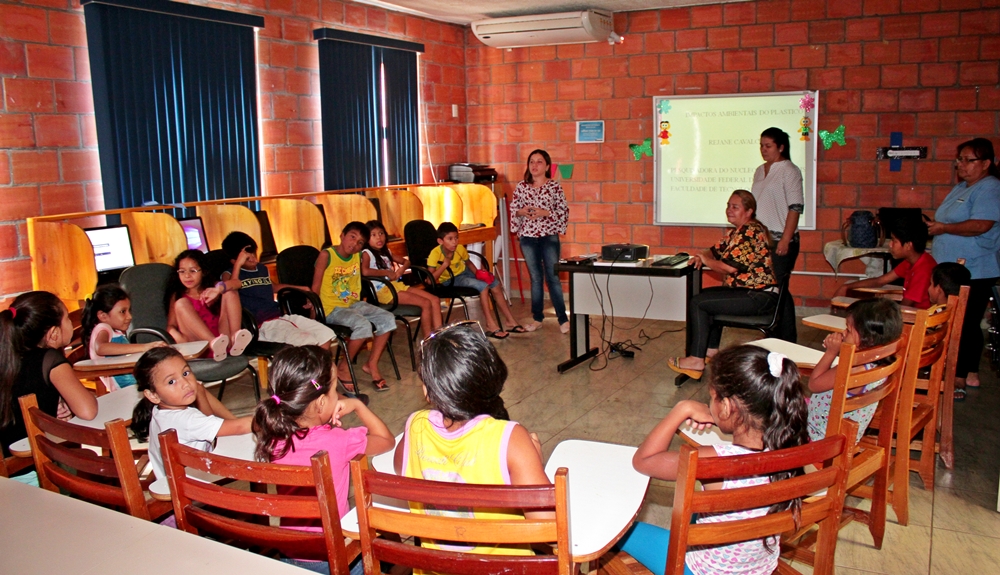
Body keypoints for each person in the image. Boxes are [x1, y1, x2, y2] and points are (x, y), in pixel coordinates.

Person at [621, 345, 809, 575]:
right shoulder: (790, 447)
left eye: (711, 398)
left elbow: (644, 460)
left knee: (622, 529)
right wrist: (720, 418)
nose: (708, 403)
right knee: (695, 508)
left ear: (728, 407)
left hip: (701, 570)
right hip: (759, 568)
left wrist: (683, 408)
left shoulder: (715, 462)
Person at [393, 321, 551, 558]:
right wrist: (534, 461)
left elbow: (401, 468)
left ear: (428, 391)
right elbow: (547, 528)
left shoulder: (416, 425)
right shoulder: (510, 439)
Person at [252, 345, 394, 574]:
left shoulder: (272, 440)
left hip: (291, 551)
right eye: (334, 389)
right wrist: (357, 405)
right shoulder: (339, 441)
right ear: (320, 403)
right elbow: (386, 440)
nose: (337, 395)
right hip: (333, 556)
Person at [667, 191, 777, 380]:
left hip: (758, 297)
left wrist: (705, 260)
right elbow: (713, 251)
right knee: (705, 298)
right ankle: (709, 351)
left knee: (699, 302)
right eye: (728, 205)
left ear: (749, 211)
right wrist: (700, 255)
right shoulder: (736, 232)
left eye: (735, 207)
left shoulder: (750, 231)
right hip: (749, 293)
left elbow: (728, 268)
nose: (729, 210)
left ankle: (695, 360)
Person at [926, 138, 1000, 392]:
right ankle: (966, 371)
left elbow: (982, 225)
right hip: (951, 267)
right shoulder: (963, 187)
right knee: (953, 319)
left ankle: (959, 376)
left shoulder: (989, 188)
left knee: (965, 322)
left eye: (969, 160)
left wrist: (944, 228)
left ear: (986, 163)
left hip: (974, 269)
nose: (962, 165)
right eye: (959, 160)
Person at [0, 291, 98, 465]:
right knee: (91, 459)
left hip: (8, 469)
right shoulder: (50, 359)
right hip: (35, 467)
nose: (71, 323)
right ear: (53, 333)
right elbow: (88, 411)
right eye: (67, 318)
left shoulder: (7, 358)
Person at [131, 346, 251, 481]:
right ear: (152, 395)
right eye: (171, 381)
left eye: (186, 373)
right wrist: (272, 417)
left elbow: (206, 419)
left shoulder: (158, 410)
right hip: (193, 487)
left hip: (171, 481)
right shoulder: (187, 419)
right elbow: (240, 427)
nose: (185, 383)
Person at [312, 221, 397, 393]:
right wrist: (314, 312)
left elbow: (357, 281)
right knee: (363, 325)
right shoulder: (326, 255)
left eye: (360, 243)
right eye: (352, 237)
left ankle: (371, 364)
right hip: (331, 308)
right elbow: (316, 285)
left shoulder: (357, 257)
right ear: (342, 235)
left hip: (352, 303)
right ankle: (344, 367)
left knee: (388, 319)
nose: (354, 244)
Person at [806, 298, 903, 441]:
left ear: (867, 339)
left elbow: (813, 384)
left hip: (820, 438)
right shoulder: (879, 365)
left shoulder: (853, 368)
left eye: (849, 330)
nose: (844, 333)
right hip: (847, 437)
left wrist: (831, 352)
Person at [219, 232, 337, 349]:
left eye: (254, 254)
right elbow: (231, 288)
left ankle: (320, 367)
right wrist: (238, 266)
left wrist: (302, 288)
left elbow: (272, 287)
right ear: (235, 261)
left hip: (279, 317)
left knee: (325, 335)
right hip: (261, 325)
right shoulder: (228, 275)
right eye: (248, 259)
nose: (254, 260)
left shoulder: (262, 268)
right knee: (308, 341)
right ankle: (312, 366)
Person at [751, 127, 804, 342]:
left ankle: (786, 339)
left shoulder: (789, 170)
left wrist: (785, 239)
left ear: (781, 147)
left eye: (768, 146)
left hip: (782, 239)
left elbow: (796, 207)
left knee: (777, 289)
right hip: (762, 240)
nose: (763, 150)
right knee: (774, 290)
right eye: (761, 145)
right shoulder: (759, 170)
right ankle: (776, 336)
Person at [427, 222, 523, 339]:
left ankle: (510, 320)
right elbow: (429, 280)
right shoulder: (435, 254)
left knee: (494, 283)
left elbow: (468, 263)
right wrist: (444, 265)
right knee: (483, 286)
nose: (454, 242)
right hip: (450, 280)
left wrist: (478, 274)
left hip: (465, 273)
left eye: (456, 238)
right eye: (450, 239)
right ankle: (490, 324)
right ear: (440, 241)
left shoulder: (460, 248)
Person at [510, 149, 570, 334]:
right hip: (528, 238)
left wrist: (545, 213)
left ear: (547, 166)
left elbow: (563, 211)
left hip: (549, 237)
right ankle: (537, 318)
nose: (534, 165)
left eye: (539, 162)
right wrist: (522, 211)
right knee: (536, 278)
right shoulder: (521, 187)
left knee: (553, 278)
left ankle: (562, 319)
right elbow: (514, 210)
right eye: (531, 162)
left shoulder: (554, 187)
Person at [361, 220, 443, 339]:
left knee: (434, 300)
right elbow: (365, 271)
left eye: (381, 233)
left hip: (394, 286)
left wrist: (400, 270)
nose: (379, 237)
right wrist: (385, 272)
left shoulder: (386, 252)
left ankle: (441, 335)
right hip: (382, 291)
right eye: (373, 235)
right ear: (366, 239)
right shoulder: (367, 253)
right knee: (425, 303)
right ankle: (428, 340)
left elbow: (406, 261)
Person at [166, 249, 253, 361]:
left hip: (222, 340)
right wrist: (177, 337)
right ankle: (213, 343)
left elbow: (238, 283)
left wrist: (218, 289)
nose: (187, 276)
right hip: (198, 345)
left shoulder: (212, 288)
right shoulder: (177, 294)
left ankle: (235, 339)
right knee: (181, 303)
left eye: (193, 271)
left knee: (230, 291)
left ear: (204, 271)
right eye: (182, 271)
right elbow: (171, 326)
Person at [833, 219, 936, 309]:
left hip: (919, 322)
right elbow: (880, 281)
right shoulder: (911, 261)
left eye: (894, 241)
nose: (890, 245)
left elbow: (905, 307)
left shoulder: (923, 270)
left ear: (908, 245)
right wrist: (846, 287)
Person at [81, 284, 167, 391]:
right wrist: (145, 347)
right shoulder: (103, 328)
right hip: (126, 390)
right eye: (123, 312)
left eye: (129, 310)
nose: (129, 316)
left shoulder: (114, 331)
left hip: (134, 385)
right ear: (103, 316)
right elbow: (101, 348)